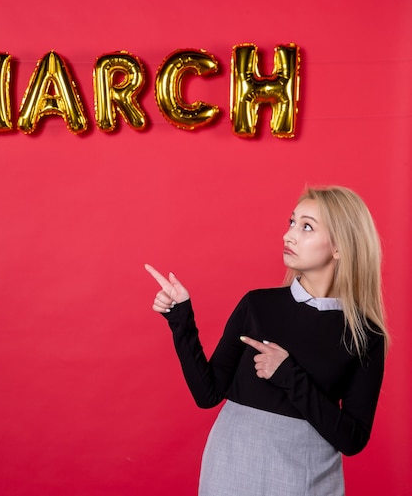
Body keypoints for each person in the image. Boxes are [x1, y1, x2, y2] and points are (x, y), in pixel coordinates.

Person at [145, 186, 388, 496]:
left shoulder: (365, 335)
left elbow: (352, 440)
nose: (289, 236)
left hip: (307, 477)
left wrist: (288, 374)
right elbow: (207, 394)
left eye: (306, 226)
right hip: (231, 464)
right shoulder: (258, 305)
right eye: (291, 222)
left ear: (340, 247)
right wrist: (180, 319)